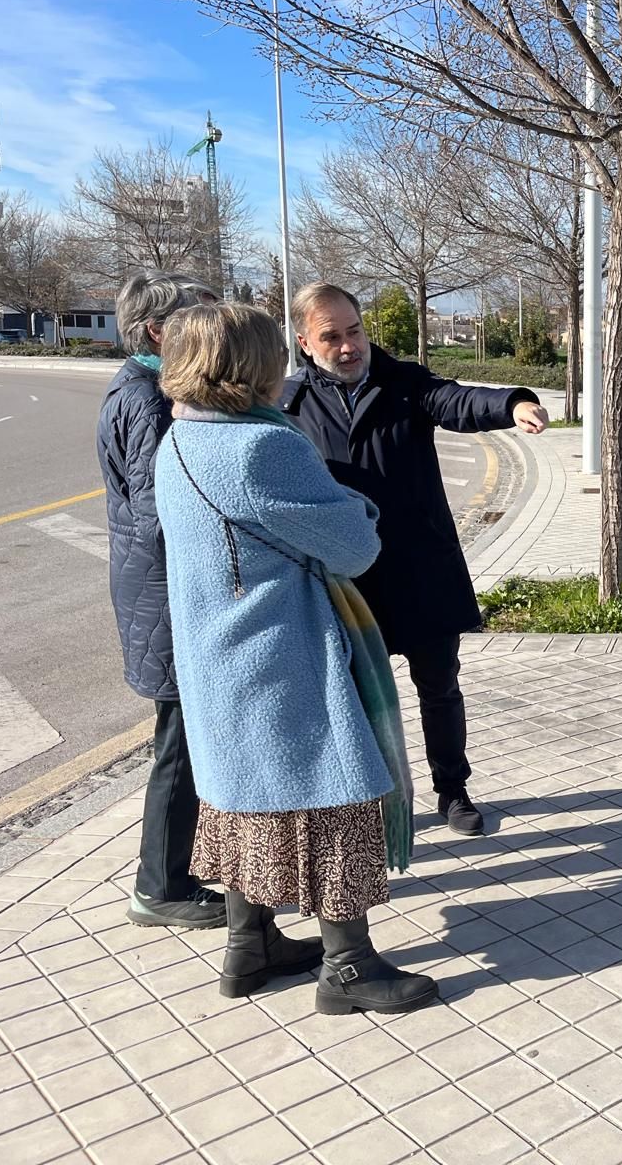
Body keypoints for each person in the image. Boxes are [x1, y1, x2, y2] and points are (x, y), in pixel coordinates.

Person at [155, 301, 438, 1014]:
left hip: (220, 657)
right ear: (251, 365)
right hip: (280, 660)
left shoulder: (180, 437)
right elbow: (353, 546)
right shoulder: (262, 447)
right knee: (335, 799)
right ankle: (349, 968)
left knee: (251, 801)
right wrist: (358, 510)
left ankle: (250, 947)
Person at [281, 283, 551, 837]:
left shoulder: (404, 383)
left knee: (439, 687)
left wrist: (512, 404)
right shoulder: (290, 406)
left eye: (354, 330)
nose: (349, 345)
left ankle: (452, 790)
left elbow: (457, 401)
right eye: (332, 337)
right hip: (346, 583)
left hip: (419, 569)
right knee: (355, 699)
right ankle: (367, 805)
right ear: (306, 342)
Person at [97, 269, 225, 931]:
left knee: (181, 737)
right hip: (167, 596)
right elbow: (161, 515)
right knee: (178, 741)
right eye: (194, 320)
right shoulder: (149, 401)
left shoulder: (142, 389)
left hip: (158, 591)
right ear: (157, 332)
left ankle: (177, 867)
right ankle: (159, 886)